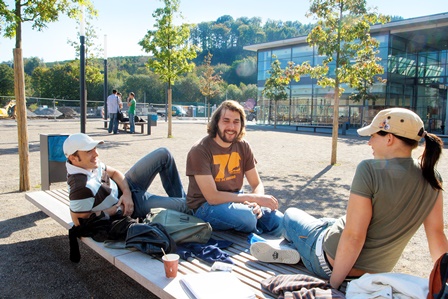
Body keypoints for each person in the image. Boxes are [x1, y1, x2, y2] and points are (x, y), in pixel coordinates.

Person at [251, 107, 448, 289]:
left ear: (389, 139)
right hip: (374, 273)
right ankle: (294, 247)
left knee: (289, 216)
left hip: (329, 263)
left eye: (372, 136)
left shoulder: (370, 169)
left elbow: (354, 236)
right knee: (328, 222)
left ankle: (288, 246)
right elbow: (437, 236)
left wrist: (333, 286)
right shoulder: (432, 177)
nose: (369, 142)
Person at [186, 100, 284, 238]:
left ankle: (266, 249)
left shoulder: (243, 146)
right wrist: (254, 198)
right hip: (205, 207)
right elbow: (213, 197)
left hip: (237, 200)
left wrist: (257, 202)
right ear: (216, 123)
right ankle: (259, 243)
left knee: (279, 220)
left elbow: (256, 183)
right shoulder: (200, 149)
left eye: (236, 122)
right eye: (226, 121)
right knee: (247, 217)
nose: (231, 127)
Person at [63, 133, 189, 226]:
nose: (96, 154)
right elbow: (80, 221)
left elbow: (115, 173)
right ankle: (186, 206)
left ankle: (182, 201)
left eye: (95, 148)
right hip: (131, 206)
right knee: (187, 205)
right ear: (73, 158)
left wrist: (127, 193)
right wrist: (118, 209)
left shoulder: (87, 164)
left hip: (127, 187)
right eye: (89, 151)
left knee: (163, 154)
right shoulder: (80, 187)